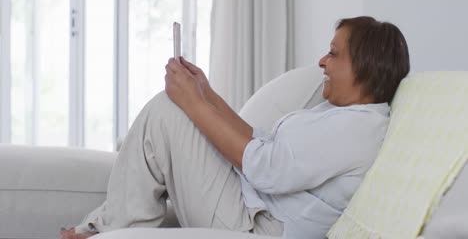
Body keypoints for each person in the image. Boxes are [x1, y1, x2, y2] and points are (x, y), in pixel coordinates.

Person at [61, 16, 410, 239]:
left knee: (168, 111)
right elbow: (261, 144)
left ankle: (106, 230)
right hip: (249, 206)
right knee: (173, 110)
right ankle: (110, 228)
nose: (322, 60)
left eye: (334, 54)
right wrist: (207, 94)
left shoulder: (357, 130)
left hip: (258, 225)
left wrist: (194, 103)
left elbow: (265, 169)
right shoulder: (341, 117)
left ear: (364, 67)